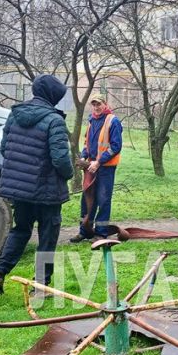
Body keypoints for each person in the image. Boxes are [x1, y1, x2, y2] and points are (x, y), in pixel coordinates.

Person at [0, 75, 73, 295]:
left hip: (21, 189)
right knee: (47, 234)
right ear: (52, 96)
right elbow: (60, 159)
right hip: (47, 190)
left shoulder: (14, 116)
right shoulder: (55, 121)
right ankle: (41, 284)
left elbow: (5, 149)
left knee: (20, 230)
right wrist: (69, 174)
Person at [70, 93, 123, 243]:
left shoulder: (113, 121)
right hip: (90, 167)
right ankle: (84, 231)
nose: (96, 107)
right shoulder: (91, 120)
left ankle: (100, 234)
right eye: (94, 104)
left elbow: (115, 147)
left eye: (98, 104)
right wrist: (83, 157)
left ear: (105, 104)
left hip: (105, 168)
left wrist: (99, 162)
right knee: (86, 199)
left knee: (103, 200)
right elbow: (87, 143)